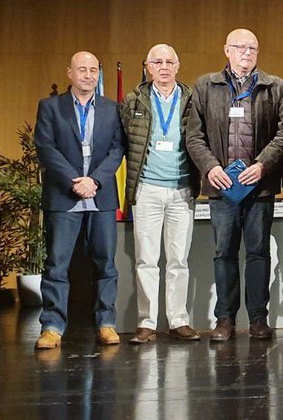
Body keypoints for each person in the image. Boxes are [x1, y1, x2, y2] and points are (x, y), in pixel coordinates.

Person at [186, 28, 283, 342]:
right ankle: (224, 319)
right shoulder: (205, 86)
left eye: (253, 48)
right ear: (226, 50)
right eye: (241, 47)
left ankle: (258, 319)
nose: (247, 53)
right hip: (222, 186)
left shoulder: (276, 87)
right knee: (224, 254)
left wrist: (262, 164)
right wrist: (211, 167)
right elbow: (194, 136)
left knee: (259, 253)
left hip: (259, 185)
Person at [33, 51, 126, 349]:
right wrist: (75, 180)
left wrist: (94, 180)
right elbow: (45, 147)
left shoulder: (112, 109)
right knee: (56, 264)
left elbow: (117, 149)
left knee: (106, 264)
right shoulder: (50, 107)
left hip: (100, 196)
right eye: (82, 70)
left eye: (93, 70)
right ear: (70, 73)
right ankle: (52, 327)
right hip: (64, 195)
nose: (88, 75)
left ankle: (106, 324)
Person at [120, 44, 202, 344]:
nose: (164, 67)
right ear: (148, 67)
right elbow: (124, 141)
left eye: (169, 62)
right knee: (146, 259)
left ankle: (178, 320)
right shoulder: (133, 101)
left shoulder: (192, 99)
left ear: (178, 66)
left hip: (182, 189)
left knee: (179, 260)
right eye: (157, 62)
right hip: (147, 189)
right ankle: (147, 322)